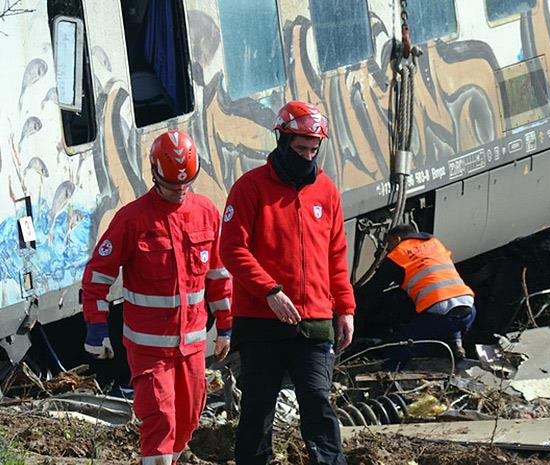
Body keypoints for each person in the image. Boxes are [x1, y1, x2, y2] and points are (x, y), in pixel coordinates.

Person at [82, 130, 232, 465]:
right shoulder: (132, 220)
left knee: (188, 420)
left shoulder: (206, 212)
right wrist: (96, 327)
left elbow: (218, 275)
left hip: (192, 348)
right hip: (150, 351)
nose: (180, 191)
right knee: (160, 419)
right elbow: (96, 277)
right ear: (154, 173)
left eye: (186, 184)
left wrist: (225, 328)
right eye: (172, 185)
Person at [219, 101, 355, 465]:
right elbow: (232, 249)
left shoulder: (326, 191)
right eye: (300, 150)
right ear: (281, 141)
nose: (307, 156)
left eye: (313, 150)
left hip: (314, 322)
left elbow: (336, 255)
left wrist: (345, 308)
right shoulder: (250, 189)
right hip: (261, 323)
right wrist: (269, 291)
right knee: (257, 410)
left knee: (317, 399)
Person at [367, 224, 476, 369]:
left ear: (397, 239)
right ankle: (455, 344)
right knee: (449, 317)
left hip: (442, 314)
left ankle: (387, 376)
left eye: (389, 244)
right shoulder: (434, 243)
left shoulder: (398, 254)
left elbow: (373, 289)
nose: (387, 250)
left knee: (400, 345)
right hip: (469, 308)